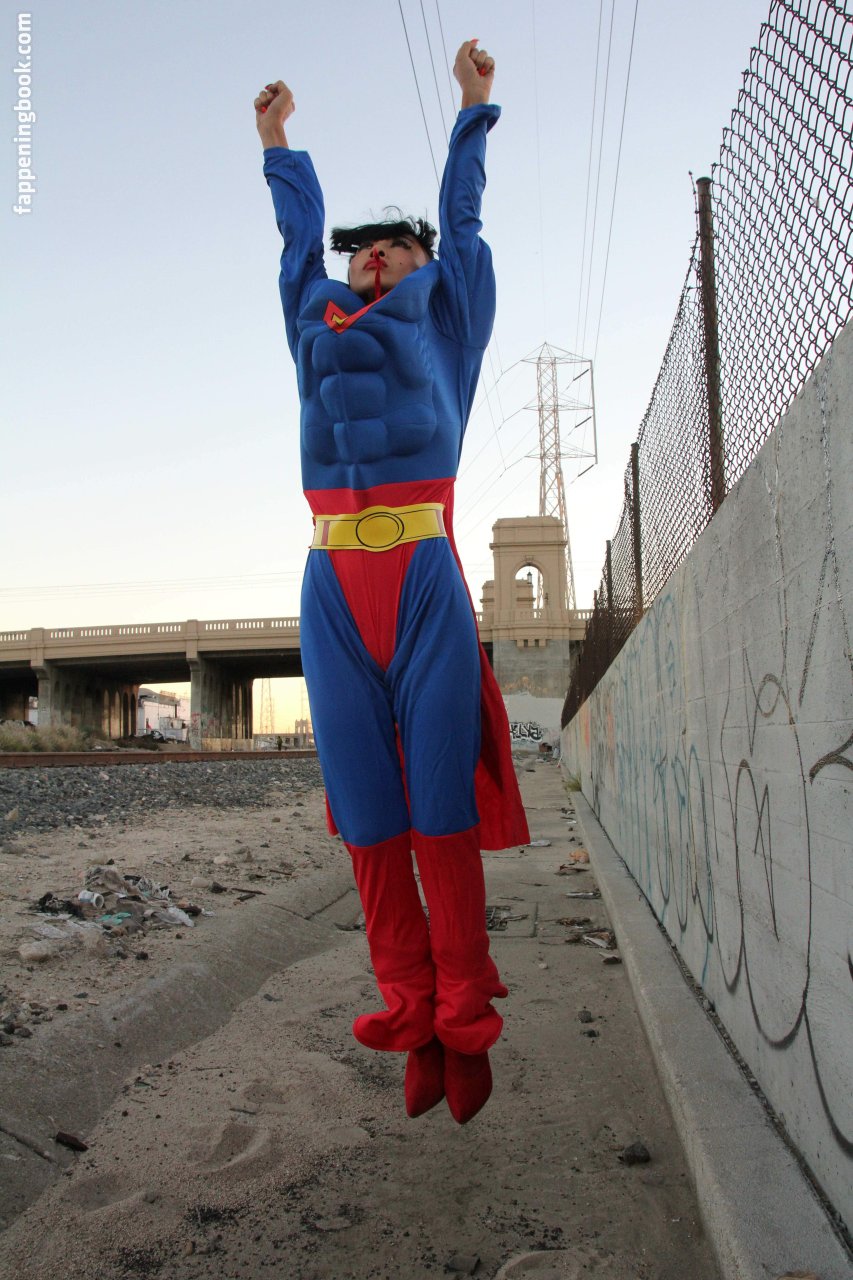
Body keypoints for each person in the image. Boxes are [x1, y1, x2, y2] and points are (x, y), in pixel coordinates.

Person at [256, 39, 529, 1125]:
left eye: (395, 244)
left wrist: (474, 108)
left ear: (423, 263)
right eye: (363, 246)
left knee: (437, 808)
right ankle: (410, 1012)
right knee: (369, 814)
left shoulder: (446, 320)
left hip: (421, 573)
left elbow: (462, 222)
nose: (374, 254)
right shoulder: (312, 322)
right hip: (330, 580)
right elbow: (295, 247)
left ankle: (464, 1015)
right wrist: (279, 146)